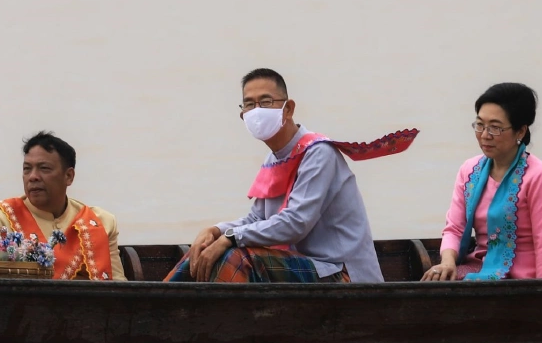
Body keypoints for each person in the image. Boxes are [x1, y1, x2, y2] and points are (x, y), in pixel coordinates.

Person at [167, 68, 418, 284]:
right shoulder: (274, 158)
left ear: (288, 109)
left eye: (265, 102)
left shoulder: (319, 153)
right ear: (242, 114)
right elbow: (257, 218)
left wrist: (230, 239)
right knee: (203, 250)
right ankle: (157, 305)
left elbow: (295, 223)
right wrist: (216, 231)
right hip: (303, 265)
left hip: (340, 272)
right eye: (249, 104)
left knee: (235, 256)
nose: (256, 111)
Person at [423, 82, 542, 282]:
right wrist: (447, 262)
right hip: (480, 269)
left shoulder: (540, 176)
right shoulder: (469, 170)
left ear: (520, 132)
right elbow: (455, 228)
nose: (485, 135)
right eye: (480, 125)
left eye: (495, 128)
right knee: (435, 283)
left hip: (522, 280)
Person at [0, 132, 126, 281]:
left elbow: (119, 287)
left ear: (68, 176)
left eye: (44, 168)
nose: (33, 177)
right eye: (27, 169)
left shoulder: (99, 222)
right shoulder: (0, 217)